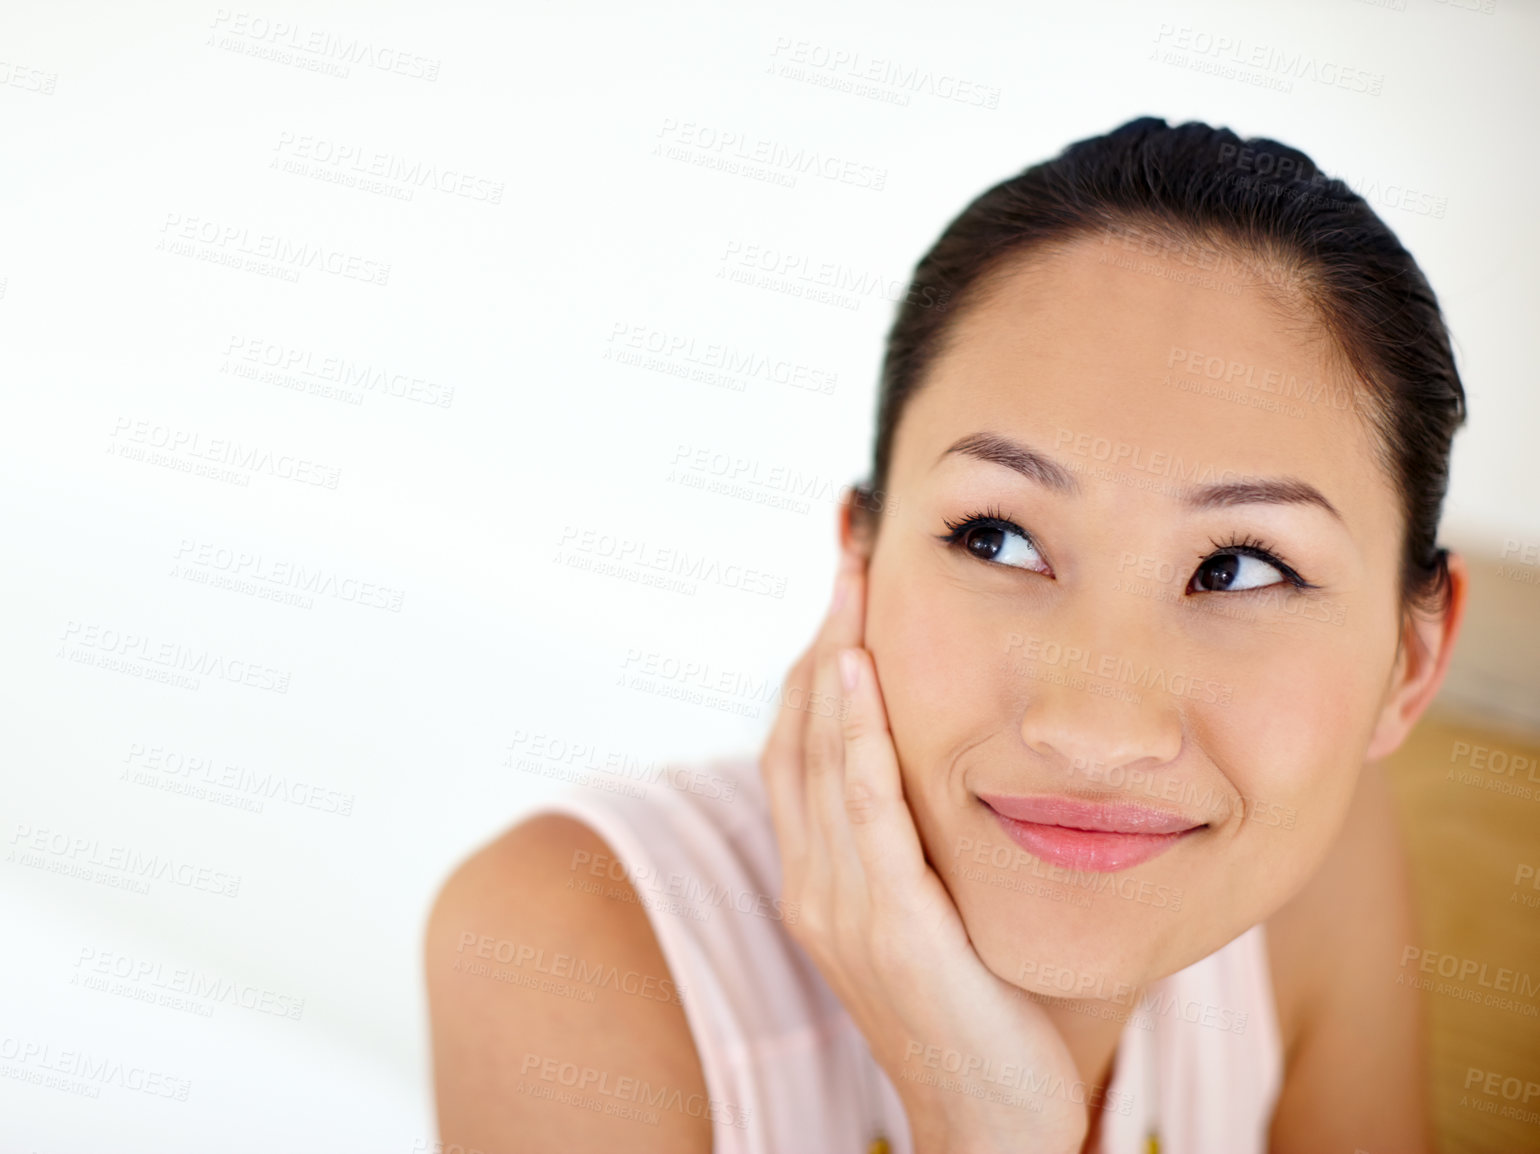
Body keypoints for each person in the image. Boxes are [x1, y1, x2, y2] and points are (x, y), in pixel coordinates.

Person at [424, 117, 1469, 1154]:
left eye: (1240, 565)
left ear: (1407, 664)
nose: (1095, 729)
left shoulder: (1315, 865)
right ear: (859, 566)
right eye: (998, 536)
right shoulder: (566, 946)